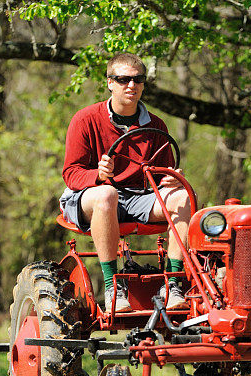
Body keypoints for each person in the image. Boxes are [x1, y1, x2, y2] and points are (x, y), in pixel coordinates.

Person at [60, 52, 191, 313]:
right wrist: (97, 175)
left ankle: (173, 283)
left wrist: (170, 180)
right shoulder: (86, 119)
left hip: (138, 197)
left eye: (138, 80)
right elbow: (71, 174)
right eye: (123, 80)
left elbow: (159, 174)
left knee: (184, 196)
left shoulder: (156, 125)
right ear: (109, 82)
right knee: (107, 194)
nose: (131, 86)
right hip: (89, 196)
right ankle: (113, 288)